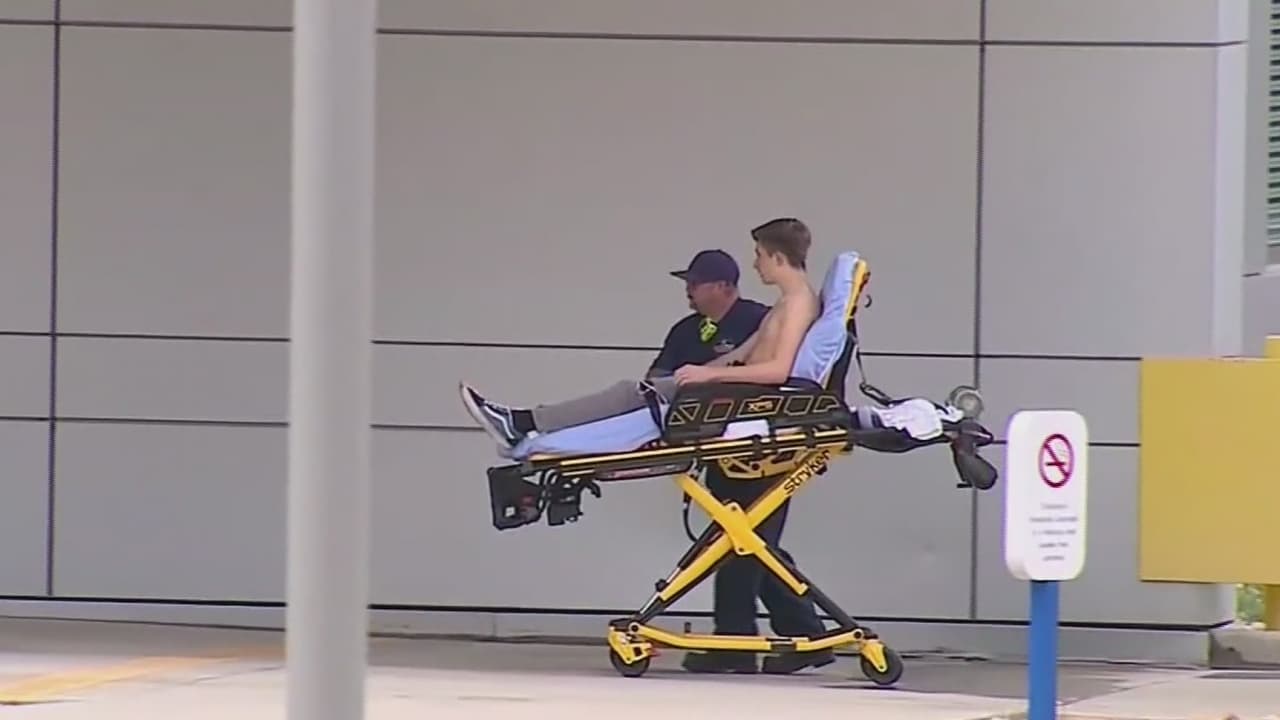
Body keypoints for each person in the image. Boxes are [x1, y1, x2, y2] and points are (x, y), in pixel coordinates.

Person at [458, 217, 820, 449]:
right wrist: (700, 372)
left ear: (777, 257)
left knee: (627, 395)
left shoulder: (797, 304)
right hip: (725, 392)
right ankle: (529, 424)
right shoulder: (785, 304)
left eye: (759, 254)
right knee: (636, 392)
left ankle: (525, 424)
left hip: (736, 398)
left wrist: (709, 375)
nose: (755, 263)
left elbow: (778, 371)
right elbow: (741, 354)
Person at [642, 246, 830, 675]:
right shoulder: (686, 331)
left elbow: (775, 373)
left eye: (695, 283)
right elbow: (659, 378)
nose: (688, 291)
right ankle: (794, 635)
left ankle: (742, 641)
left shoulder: (761, 319)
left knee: (743, 543)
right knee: (747, 542)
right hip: (720, 445)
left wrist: (709, 376)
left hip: (758, 447)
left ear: (723, 286)